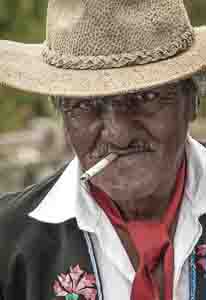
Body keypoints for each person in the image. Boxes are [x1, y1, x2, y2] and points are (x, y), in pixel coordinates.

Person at [0, 0, 205, 299]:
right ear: (63, 118)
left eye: (145, 96)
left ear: (192, 102)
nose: (119, 135)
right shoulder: (9, 242)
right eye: (84, 105)